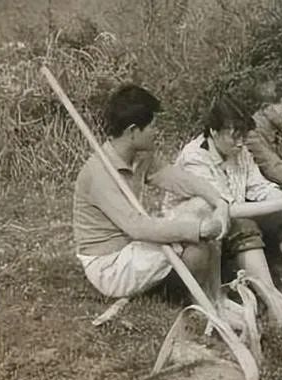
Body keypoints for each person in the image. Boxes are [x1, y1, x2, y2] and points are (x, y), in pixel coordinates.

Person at [73, 84, 230, 299]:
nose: (157, 132)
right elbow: (137, 227)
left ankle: (207, 297)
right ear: (132, 131)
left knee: (202, 208)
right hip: (110, 264)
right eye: (152, 126)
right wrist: (199, 229)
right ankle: (187, 297)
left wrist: (219, 201)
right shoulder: (99, 173)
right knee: (196, 246)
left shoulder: (139, 156)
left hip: (135, 247)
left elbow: (179, 179)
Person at [163, 95, 282, 299]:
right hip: (199, 231)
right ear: (214, 132)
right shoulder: (195, 157)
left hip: (229, 220)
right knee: (245, 225)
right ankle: (272, 299)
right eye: (234, 136)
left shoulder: (239, 151)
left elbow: (259, 187)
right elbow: (226, 208)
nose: (241, 142)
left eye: (243, 136)